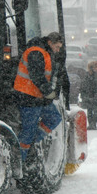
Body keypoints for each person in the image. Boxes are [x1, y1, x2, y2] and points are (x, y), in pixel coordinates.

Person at [13, 32, 64, 161]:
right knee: (27, 132)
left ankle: (32, 142)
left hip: (38, 97)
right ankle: (20, 160)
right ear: (50, 43)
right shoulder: (36, 52)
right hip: (28, 98)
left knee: (54, 117)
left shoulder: (45, 53)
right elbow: (37, 76)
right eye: (57, 47)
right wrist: (49, 92)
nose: (58, 50)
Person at [80, 61, 97, 130]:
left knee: (95, 111)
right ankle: (91, 124)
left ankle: (94, 124)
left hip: (96, 96)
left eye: (96, 67)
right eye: (93, 67)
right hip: (91, 95)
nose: (94, 69)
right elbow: (83, 85)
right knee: (90, 110)